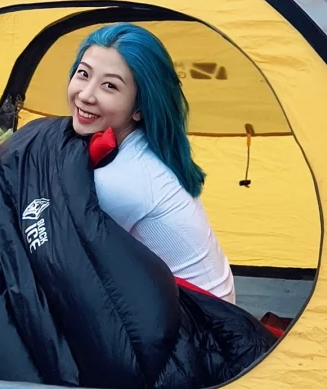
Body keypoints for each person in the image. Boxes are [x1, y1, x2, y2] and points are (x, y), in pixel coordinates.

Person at [67, 23, 236, 304]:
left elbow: (67, 258)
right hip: (206, 304)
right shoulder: (147, 145)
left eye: (110, 85)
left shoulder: (123, 181)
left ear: (139, 107)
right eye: (83, 74)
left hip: (201, 328)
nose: (86, 94)